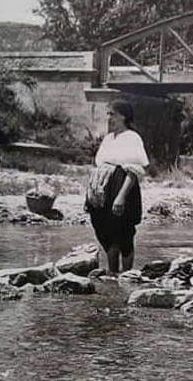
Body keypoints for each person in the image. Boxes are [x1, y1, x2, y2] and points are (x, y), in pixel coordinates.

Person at [85, 101, 149, 274]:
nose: (109, 118)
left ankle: (127, 275)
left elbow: (135, 170)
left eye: (112, 114)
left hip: (122, 187)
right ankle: (113, 273)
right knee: (105, 229)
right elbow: (99, 164)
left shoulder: (132, 138)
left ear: (123, 116)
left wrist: (121, 196)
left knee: (124, 231)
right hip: (103, 189)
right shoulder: (108, 138)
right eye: (109, 114)